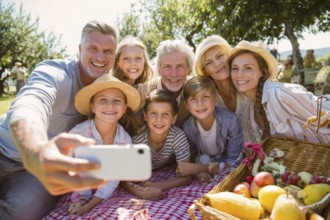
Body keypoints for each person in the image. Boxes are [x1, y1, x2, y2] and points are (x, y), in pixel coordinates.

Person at [0, 20, 118, 219]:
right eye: (93, 48)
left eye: (108, 51)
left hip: (32, 174)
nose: (100, 56)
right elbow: (30, 103)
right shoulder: (58, 73)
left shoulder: (108, 89)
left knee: (24, 212)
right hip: (6, 149)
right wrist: (35, 148)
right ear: (80, 49)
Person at [228, 40, 330, 144]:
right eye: (235, 68)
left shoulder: (280, 94)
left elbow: (326, 112)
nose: (239, 74)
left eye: (248, 68)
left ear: (263, 72)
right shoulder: (250, 107)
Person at [67, 74, 141, 216]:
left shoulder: (124, 140)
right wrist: (81, 199)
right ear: (92, 107)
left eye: (117, 101)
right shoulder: (78, 135)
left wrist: (89, 206)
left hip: (105, 189)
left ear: (125, 108)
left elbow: (113, 180)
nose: (110, 105)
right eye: (103, 100)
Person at [121, 89, 192, 200]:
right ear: (145, 117)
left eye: (165, 115)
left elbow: (187, 177)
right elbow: (123, 179)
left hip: (163, 168)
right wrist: (141, 192)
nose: (159, 120)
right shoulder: (138, 140)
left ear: (174, 119)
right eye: (153, 114)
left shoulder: (178, 136)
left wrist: (157, 185)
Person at [177, 76, 244, 183]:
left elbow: (234, 159)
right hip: (205, 161)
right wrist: (200, 171)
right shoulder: (188, 128)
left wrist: (219, 169)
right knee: (202, 161)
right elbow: (193, 155)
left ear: (215, 99)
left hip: (226, 160)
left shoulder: (230, 121)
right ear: (186, 105)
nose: (200, 103)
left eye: (206, 97)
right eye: (193, 99)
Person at [194, 35, 256, 142]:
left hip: (268, 151)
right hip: (233, 157)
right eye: (209, 62)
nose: (217, 63)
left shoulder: (247, 84)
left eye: (220, 56)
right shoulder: (209, 101)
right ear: (205, 71)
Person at [143, 39, 195, 128]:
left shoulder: (196, 92)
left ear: (189, 70)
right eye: (167, 67)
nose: (174, 74)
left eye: (180, 66)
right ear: (159, 70)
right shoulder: (144, 93)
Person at [112, 35, 155, 114]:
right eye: (126, 59)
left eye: (138, 58)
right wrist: (136, 108)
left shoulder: (142, 87)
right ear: (117, 62)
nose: (133, 63)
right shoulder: (113, 88)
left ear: (144, 61)